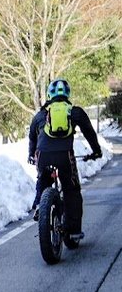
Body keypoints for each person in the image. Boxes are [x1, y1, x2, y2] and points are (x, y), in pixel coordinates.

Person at [27, 79, 102, 242]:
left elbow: (32, 137)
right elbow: (89, 133)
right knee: (71, 189)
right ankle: (73, 230)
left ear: (49, 95)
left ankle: (41, 204)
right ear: (67, 94)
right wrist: (96, 151)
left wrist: (31, 155)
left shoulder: (40, 115)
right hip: (64, 156)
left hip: (43, 156)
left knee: (43, 179)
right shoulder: (75, 112)